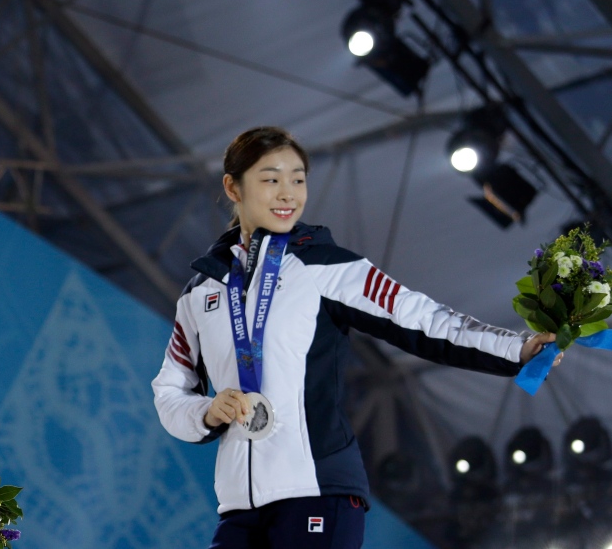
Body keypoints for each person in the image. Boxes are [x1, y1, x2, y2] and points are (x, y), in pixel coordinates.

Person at [151, 126, 560, 549]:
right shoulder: (202, 293)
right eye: (271, 179)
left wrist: (515, 347)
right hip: (240, 506)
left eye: (298, 179)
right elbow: (169, 391)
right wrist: (207, 411)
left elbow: (424, 320)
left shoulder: (328, 268)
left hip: (318, 491)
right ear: (233, 187)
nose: (288, 193)